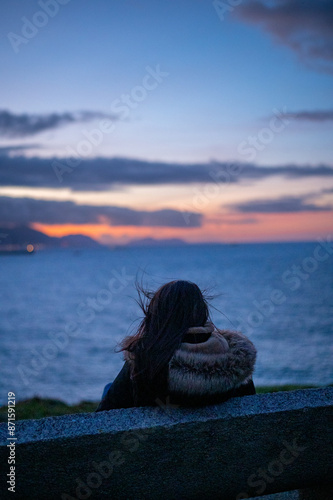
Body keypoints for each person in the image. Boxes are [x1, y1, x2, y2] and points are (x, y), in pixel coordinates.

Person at [96, 280, 257, 412]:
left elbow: (104, 417)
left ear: (157, 316)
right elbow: (251, 409)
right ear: (202, 312)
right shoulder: (235, 361)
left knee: (109, 388)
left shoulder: (145, 363)